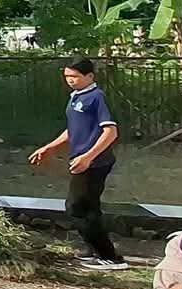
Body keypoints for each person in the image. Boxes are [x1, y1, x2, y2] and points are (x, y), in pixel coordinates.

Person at [29, 57, 126, 271]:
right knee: (89, 207)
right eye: (67, 76)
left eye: (75, 76)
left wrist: (89, 156)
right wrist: (50, 147)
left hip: (94, 162)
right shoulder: (75, 97)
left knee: (77, 207)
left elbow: (110, 132)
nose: (70, 80)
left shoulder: (96, 97)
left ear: (89, 76)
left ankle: (110, 257)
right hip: (81, 159)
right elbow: (73, 130)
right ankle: (95, 250)